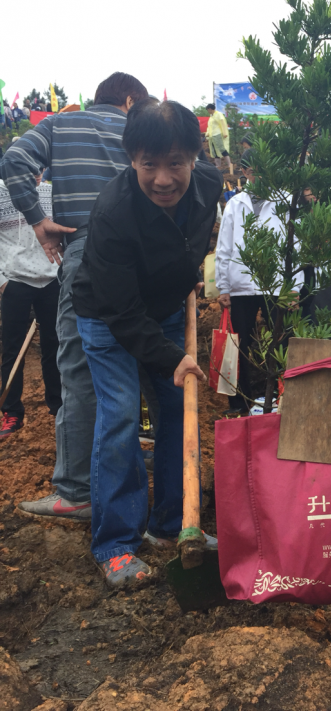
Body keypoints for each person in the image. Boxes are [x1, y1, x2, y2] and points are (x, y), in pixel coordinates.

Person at [72, 99, 223, 587]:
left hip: (167, 310)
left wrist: (188, 285)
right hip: (109, 316)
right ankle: (115, 543)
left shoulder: (209, 186)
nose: (163, 178)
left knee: (181, 410)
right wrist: (170, 356)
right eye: (149, 164)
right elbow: (122, 313)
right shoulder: (113, 212)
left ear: (194, 158)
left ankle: (171, 524)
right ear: (131, 160)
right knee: (118, 415)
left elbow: (193, 243)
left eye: (175, 162)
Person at [0, 72, 149, 521]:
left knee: (79, 366)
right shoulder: (138, 131)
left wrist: (38, 220)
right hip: (145, 255)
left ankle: (77, 489)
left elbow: (14, 159)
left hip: (87, 249)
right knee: (139, 354)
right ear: (129, 100)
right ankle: (139, 471)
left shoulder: (61, 126)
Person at [216, 148, 304, 415]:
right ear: (245, 172)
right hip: (240, 286)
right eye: (257, 170)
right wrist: (223, 286)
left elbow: (295, 247)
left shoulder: (287, 203)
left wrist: (294, 287)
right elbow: (224, 247)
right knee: (239, 345)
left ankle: (281, 400)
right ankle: (238, 404)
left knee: (280, 342)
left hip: (276, 286)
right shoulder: (234, 204)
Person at [0, 171, 61, 437]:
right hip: (15, 280)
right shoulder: (1, 193)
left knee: (55, 345)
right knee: (12, 347)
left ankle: (58, 406)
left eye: (37, 171)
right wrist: (2, 279)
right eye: (26, 171)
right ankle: (12, 412)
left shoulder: (51, 192)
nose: (34, 176)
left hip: (51, 278)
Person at [205, 103, 231, 171]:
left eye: (208, 110)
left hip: (218, 134)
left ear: (210, 109)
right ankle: (218, 166)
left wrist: (225, 133)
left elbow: (223, 123)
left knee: (221, 148)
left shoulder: (219, 114)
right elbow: (209, 126)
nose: (208, 111)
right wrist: (207, 133)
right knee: (214, 151)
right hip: (212, 135)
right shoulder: (211, 117)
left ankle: (229, 165)